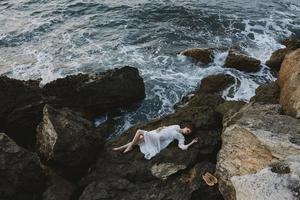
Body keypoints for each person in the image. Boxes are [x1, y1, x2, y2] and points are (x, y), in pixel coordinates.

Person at [112, 124, 198, 159]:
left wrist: (192, 142)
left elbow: (182, 147)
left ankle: (129, 147)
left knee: (139, 131)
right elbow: (167, 127)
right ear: (186, 127)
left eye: (188, 132)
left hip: (158, 138)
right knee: (140, 139)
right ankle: (122, 148)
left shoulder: (181, 137)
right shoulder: (177, 126)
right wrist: (160, 128)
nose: (187, 132)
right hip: (156, 132)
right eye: (188, 130)